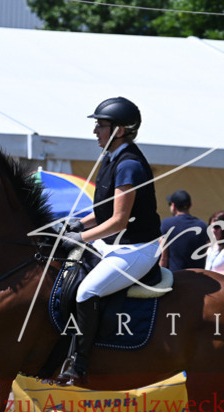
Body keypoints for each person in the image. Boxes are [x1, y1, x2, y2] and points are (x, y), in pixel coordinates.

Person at [56, 96, 161, 387]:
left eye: (101, 126)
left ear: (120, 130)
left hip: (136, 248)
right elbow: (103, 212)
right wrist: (75, 224)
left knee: (87, 291)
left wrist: (78, 238)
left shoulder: (129, 165)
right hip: (112, 243)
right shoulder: (110, 159)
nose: (95, 132)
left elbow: (118, 221)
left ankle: (80, 364)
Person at [159, 190, 208, 271]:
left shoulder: (166, 224)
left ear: (173, 206)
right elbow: (206, 255)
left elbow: (163, 258)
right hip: (199, 277)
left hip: (176, 277)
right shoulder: (203, 226)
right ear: (191, 205)